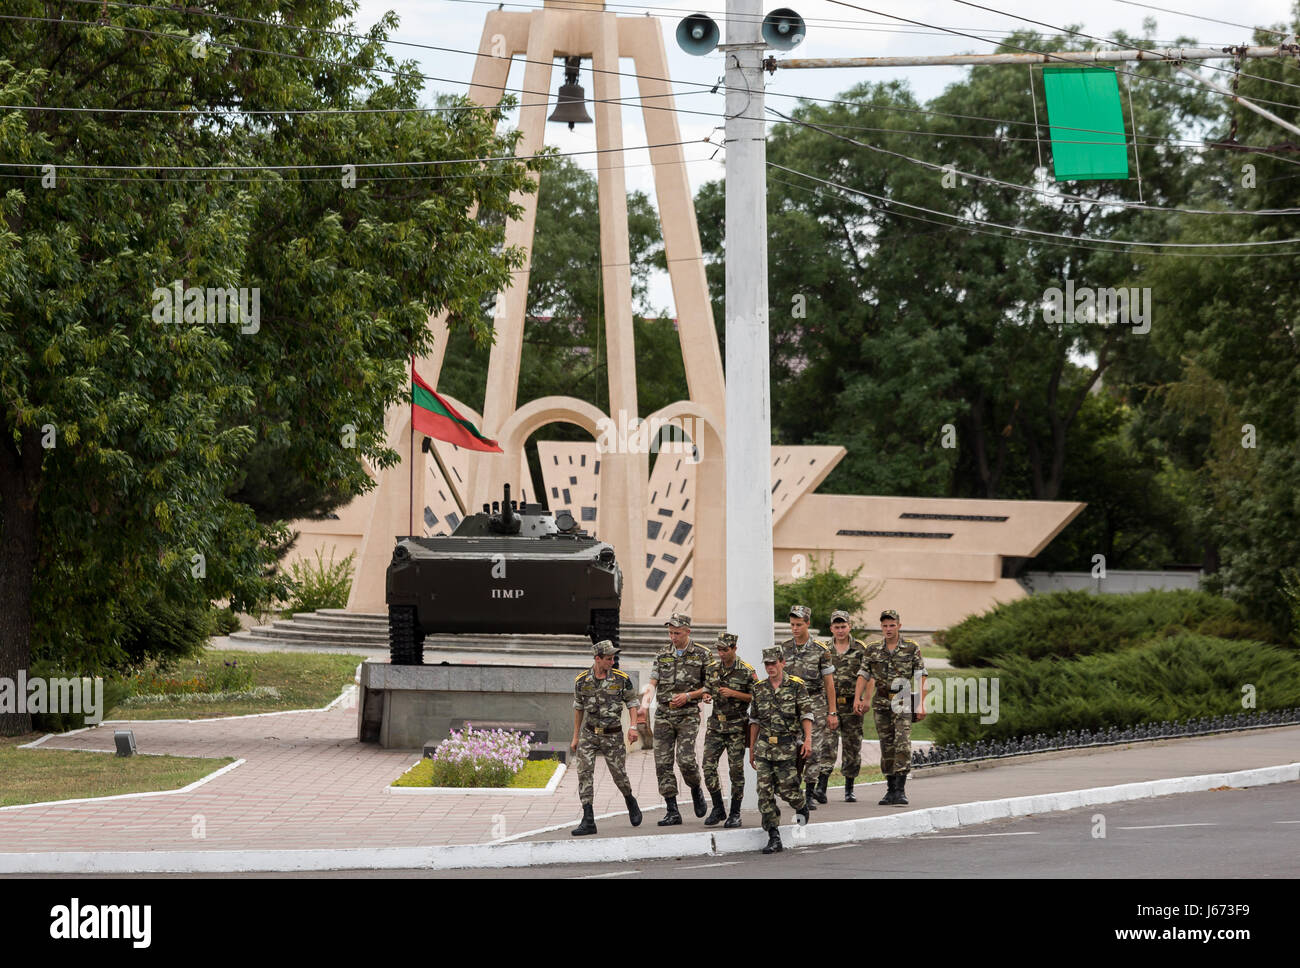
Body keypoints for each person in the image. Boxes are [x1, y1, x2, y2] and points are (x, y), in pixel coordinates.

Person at [641, 612, 710, 825]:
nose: (673, 637)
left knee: (686, 760)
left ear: (688, 631)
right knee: (662, 763)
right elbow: (653, 681)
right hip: (663, 714)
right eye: (670, 633)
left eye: (677, 633)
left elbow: (710, 685)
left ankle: (696, 788)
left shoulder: (701, 654)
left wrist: (690, 695)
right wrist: (646, 699)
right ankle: (672, 809)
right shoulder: (662, 654)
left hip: (688, 714)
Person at [853, 609, 927, 806]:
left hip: (903, 700)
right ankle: (890, 789)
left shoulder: (911, 648)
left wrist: (921, 704)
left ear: (899, 626)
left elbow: (921, 675)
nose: (888, 628)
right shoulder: (873, 649)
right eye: (885, 625)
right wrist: (857, 698)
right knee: (887, 746)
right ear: (881, 627)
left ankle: (901, 790)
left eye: (892, 625)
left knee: (902, 743)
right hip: (882, 702)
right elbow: (864, 674)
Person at [570, 640, 642, 835]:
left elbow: (632, 703)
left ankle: (630, 800)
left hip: (613, 735)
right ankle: (588, 819)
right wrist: (575, 737)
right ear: (597, 659)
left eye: (613, 658)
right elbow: (578, 709)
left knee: (619, 775)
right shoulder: (582, 680)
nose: (612, 661)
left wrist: (633, 727)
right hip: (589, 733)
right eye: (608, 659)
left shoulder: (621, 679)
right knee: (584, 773)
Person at [747, 647, 813, 854]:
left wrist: (808, 740)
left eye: (773, 663)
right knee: (764, 792)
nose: (770, 667)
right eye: (767, 664)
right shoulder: (759, 688)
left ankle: (801, 804)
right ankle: (773, 836)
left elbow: (806, 715)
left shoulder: (796, 686)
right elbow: (755, 720)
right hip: (765, 747)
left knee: (787, 790)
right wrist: (751, 748)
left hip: (787, 747)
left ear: (782, 662)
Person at [780, 604, 837, 808]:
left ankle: (810, 792)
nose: (795, 628)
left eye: (799, 624)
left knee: (813, 748)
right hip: (791, 706)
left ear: (808, 624)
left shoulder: (821, 651)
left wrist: (832, 712)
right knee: (792, 749)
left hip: (815, 705)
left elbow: (829, 683)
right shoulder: (784, 649)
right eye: (792, 624)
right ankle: (795, 789)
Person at [702, 631, 756, 828]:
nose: (721, 654)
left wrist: (735, 693)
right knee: (707, 768)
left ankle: (735, 813)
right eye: (719, 650)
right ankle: (718, 808)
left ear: (734, 648)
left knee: (735, 771)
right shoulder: (712, 669)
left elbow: (756, 697)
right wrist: (706, 696)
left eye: (725, 650)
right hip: (716, 725)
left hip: (736, 727)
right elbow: (707, 688)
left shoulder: (746, 671)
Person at [825, 609, 869, 802]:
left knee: (852, 745)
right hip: (831, 706)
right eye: (837, 627)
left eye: (843, 626)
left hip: (852, 705)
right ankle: (821, 787)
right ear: (831, 628)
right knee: (827, 746)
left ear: (849, 627)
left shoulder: (860, 649)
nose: (840, 630)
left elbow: (869, 675)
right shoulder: (824, 649)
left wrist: (864, 699)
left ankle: (849, 788)